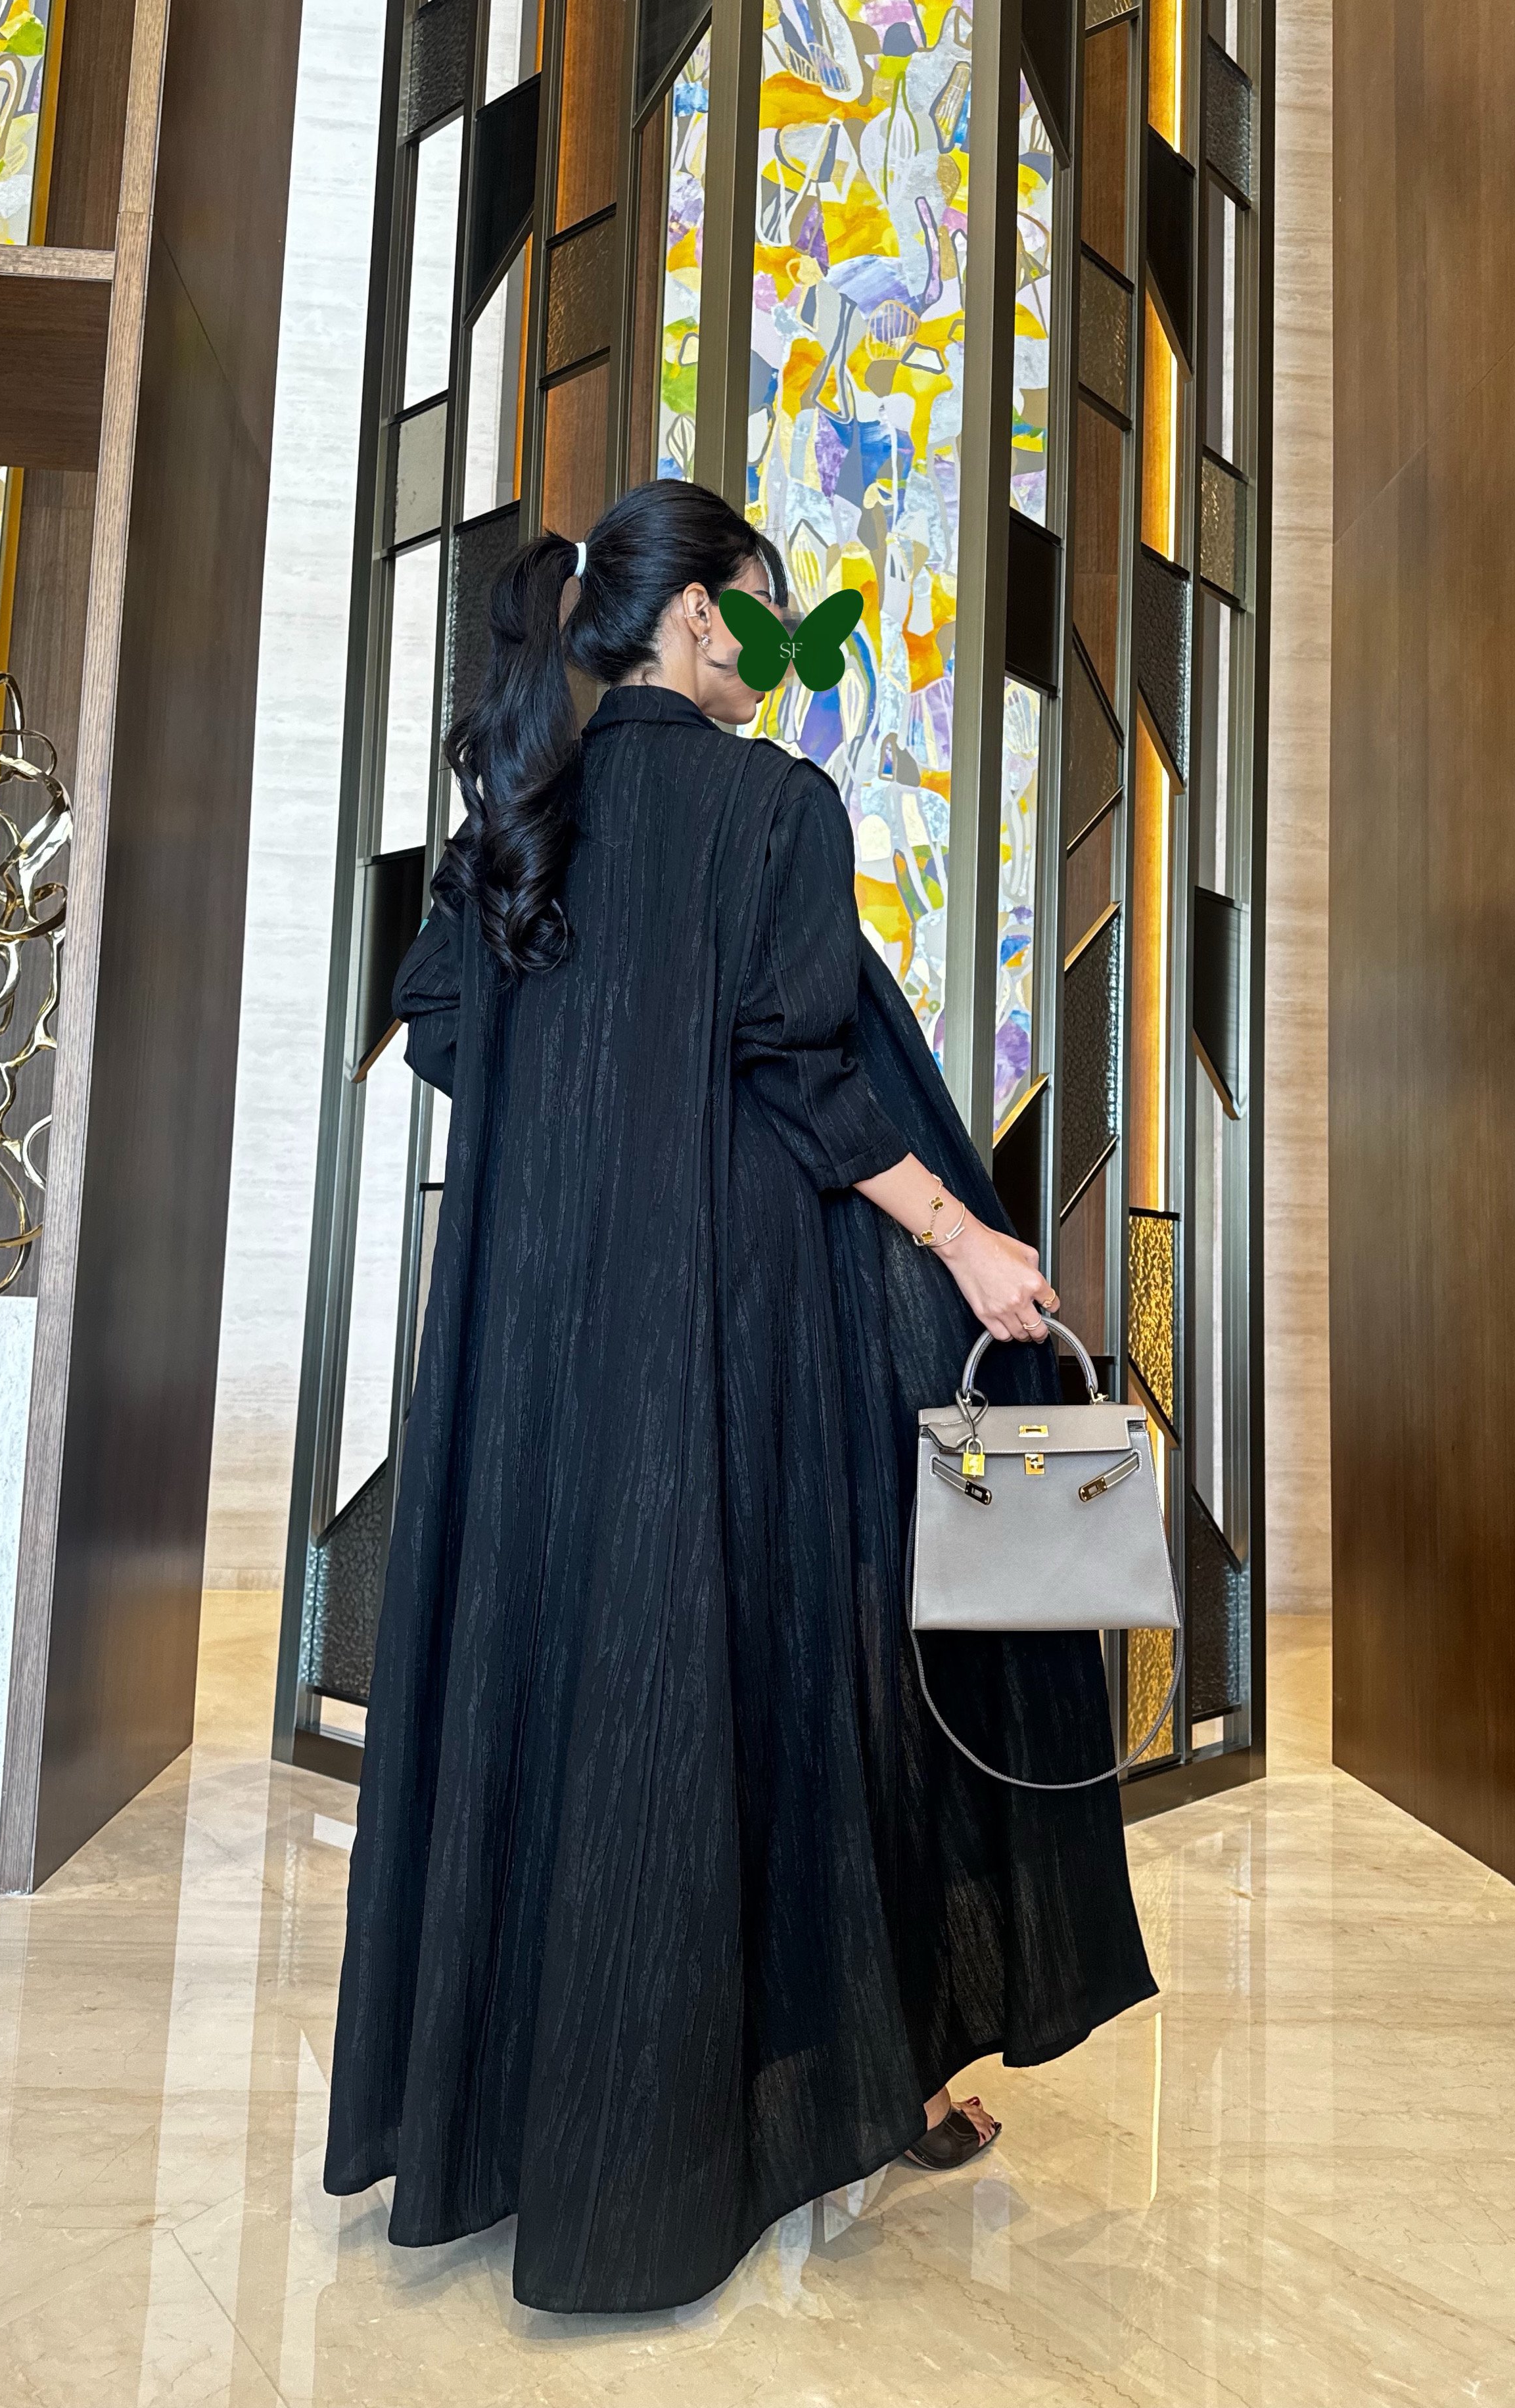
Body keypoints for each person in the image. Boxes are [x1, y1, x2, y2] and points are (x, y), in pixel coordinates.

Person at [325, 479, 1155, 2313]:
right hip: (732, 1335)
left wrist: (596, 1107)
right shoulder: (772, 807)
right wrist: (971, 1245)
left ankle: (538, 2121)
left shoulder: (521, 810)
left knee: (560, 1689)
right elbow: (809, 1079)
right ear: (699, 615)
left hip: (539, 1354)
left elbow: (448, 1028)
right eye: (764, 616)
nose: (773, 655)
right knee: (794, 1677)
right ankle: (840, 2079)